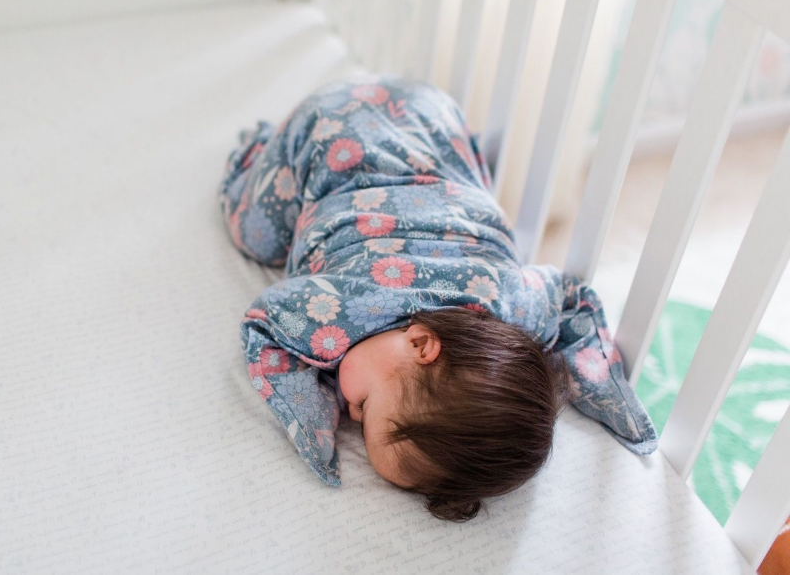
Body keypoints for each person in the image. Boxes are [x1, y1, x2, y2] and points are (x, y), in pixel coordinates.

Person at [219, 76, 655, 521]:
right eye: (365, 405)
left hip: (432, 114)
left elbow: (573, 301)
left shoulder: (517, 307)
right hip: (329, 131)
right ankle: (258, 149)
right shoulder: (343, 306)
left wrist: (605, 391)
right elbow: (266, 321)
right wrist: (312, 421)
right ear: (421, 344)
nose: (349, 410)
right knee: (255, 235)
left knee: (463, 178)